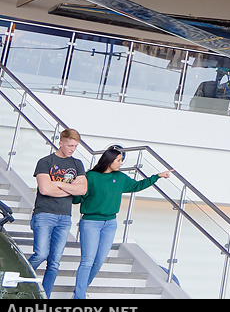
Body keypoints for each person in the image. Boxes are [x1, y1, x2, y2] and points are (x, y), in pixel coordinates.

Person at [71, 145, 172, 300]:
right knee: (87, 261)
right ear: (109, 160)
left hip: (110, 223)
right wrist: (74, 185)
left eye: (121, 160)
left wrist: (157, 176)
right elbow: (77, 199)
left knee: (98, 262)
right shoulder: (90, 176)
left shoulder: (120, 178)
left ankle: (80, 291)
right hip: (91, 222)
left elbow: (138, 186)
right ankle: (79, 297)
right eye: (118, 160)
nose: (121, 163)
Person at [28, 127, 86, 297]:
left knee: (54, 262)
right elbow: (45, 189)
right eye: (69, 145)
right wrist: (70, 188)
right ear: (60, 143)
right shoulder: (45, 162)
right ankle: (16, 279)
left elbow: (82, 190)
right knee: (41, 254)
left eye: (75, 146)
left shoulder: (77, 164)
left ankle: (44, 296)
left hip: (65, 217)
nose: (72, 149)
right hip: (44, 214)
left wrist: (58, 185)